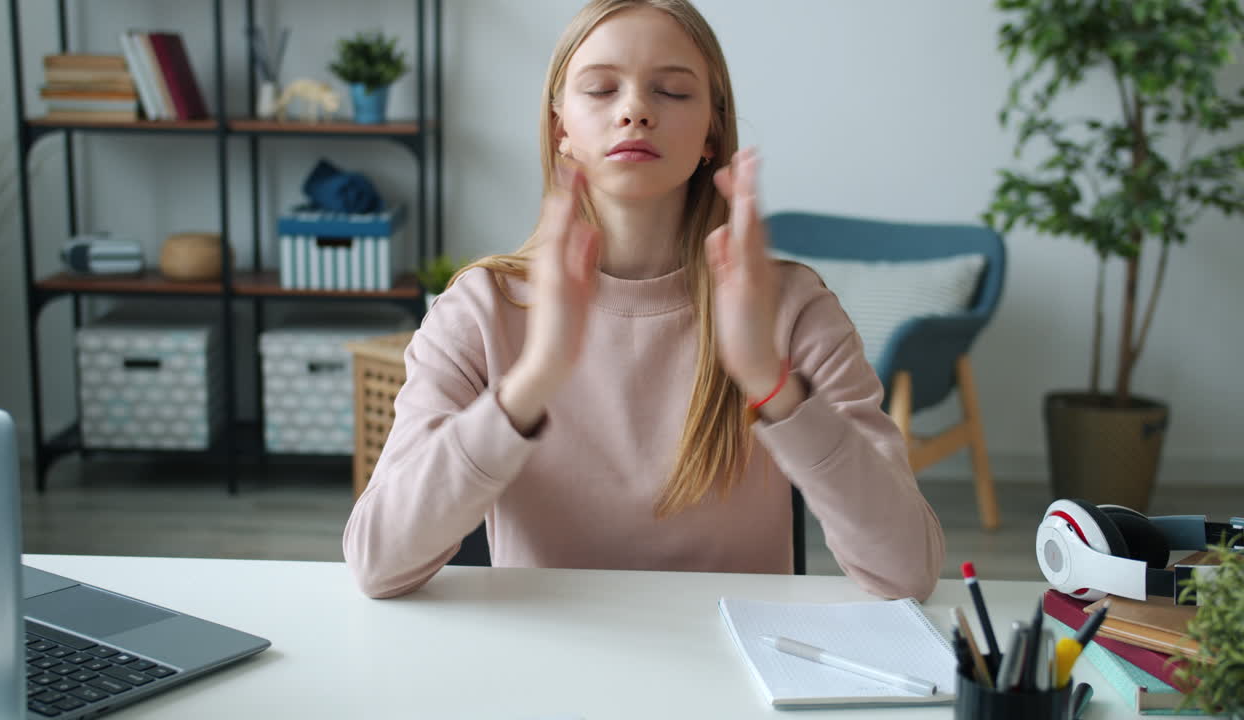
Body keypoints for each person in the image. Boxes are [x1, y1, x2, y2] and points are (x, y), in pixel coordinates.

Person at [343, 0, 944, 600]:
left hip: (737, 680)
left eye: (673, 93)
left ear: (712, 131)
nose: (634, 111)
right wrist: (532, 381)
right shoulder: (479, 309)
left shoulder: (791, 306)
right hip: (551, 672)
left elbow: (906, 570)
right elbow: (378, 564)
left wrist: (771, 382)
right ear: (561, 130)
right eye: (602, 89)